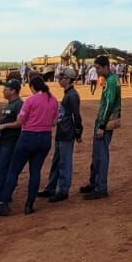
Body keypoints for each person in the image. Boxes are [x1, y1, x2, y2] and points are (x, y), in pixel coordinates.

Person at [0, 73, 58, 217]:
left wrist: (4, 126)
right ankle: (29, 205)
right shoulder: (53, 100)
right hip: (45, 138)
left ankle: (3, 204)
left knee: (13, 171)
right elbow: (54, 122)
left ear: (32, 87)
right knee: (35, 172)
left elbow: (20, 122)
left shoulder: (30, 100)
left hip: (28, 137)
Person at [82, 55, 122, 200]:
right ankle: (94, 183)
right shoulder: (112, 79)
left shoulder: (110, 81)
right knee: (96, 154)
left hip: (104, 123)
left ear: (106, 66)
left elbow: (109, 104)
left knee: (101, 155)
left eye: (98, 68)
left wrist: (101, 126)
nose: (97, 71)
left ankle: (101, 187)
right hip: (103, 121)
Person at [43, 69, 84, 202]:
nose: (59, 81)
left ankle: (63, 190)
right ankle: (51, 187)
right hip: (62, 132)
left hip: (67, 133)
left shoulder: (72, 95)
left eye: (61, 78)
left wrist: (78, 131)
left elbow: (76, 116)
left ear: (68, 79)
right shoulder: (68, 94)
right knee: (56, 161)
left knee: (64, 162)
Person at [0, 79, 24, 207]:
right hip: (4, 140)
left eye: (6, 89)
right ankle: (3, 194)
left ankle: (0, 196)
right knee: (1, 168)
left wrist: (4, 126)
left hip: (11, 141)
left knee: (4, 169)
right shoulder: (9, 104)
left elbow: (20, 123)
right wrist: (0, 125)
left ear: (13, 91)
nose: (3, 91)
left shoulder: (19, 104)